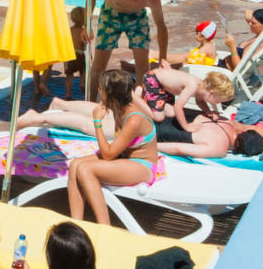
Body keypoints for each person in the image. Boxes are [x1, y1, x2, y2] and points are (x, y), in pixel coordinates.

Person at [18, 70, 162, 226]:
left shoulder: (134, 119)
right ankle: (76, 223)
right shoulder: (119, 108)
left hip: (143, 167)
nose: (99, 91)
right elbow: (113, 151)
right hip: (125, 158)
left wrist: (97, 123)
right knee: (75, 165)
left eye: (101, 89)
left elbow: (108, 155)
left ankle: (104, 227)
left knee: (86, 170)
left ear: (110, 93)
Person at [87, 0, 170, 95]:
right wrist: (87, 26)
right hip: (111, 15)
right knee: (99, 64)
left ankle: (139, 100)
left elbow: (161, 26)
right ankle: (90, 100)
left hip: (136, 17)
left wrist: (163, 58)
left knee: (143, 64)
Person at [153, 70, 261, 158]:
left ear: (243, 132)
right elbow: (178, 149)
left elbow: (254, 128)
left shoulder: (225, 121)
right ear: (239, 147)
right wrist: (146, 145)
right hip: (151, 132)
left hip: (158, 113)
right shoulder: (219, 148)